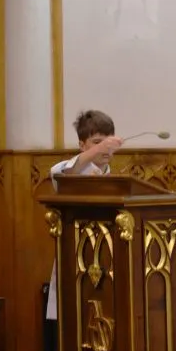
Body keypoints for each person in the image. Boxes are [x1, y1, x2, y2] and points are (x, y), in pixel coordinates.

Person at [45, 110, 122, 322]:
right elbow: (58, 173)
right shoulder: (72, 171)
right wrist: (96, 150)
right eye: (97, 142)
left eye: (109, 142)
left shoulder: (113, 179)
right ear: (82, 145)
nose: (105, 148)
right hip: (75, 256)